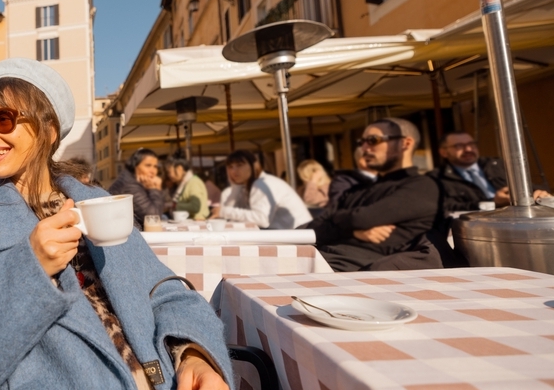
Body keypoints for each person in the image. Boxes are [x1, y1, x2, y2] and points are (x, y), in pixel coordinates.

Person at [0, 58, 233, 390]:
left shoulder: (98, 202)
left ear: (48, 129)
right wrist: (29, 270)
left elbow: (163, 292)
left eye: (3, 119)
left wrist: (195, 355)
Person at [307, 118, 443, 271]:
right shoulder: (358, 189)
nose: (364, 147)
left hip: (355, 274)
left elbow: (362, 218)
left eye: (373, 140)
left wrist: (340, 220)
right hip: (317, 260)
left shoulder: (421, 187)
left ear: (406, 144)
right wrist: (354, 231)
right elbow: (311, 227)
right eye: (362, 142)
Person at [429, 131, 550, 212]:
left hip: (520, 216)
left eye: (471, 144)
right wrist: (494, 203)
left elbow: (529, 186)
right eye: (459, 146)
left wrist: (539, 193)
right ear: (443, 152)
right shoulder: (436, 178)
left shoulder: (498, 164)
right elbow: (446, 206)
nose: (468, 149)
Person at [217, 150, 313, 229]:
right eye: (230, 167)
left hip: (300, 236)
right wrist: (235, 186)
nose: (234, 171)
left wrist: (224, 211)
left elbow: (262, 219)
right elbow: (230, 214)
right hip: (290, 234)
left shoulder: (262, 184)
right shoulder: (249, 185)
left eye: (239, 165)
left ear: (254, 165)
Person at [107, 148, 168, 229]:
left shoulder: (133, 179)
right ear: (135, 165)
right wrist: (154, 188)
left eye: (155, 167)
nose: (153, 171)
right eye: (148, 165)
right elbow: (153, 217)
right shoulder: (129, 184)